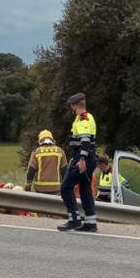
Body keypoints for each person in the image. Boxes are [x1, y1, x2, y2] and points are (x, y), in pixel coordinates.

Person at [58, 92, 98, 232]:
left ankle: (74, 219)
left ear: (75, 106)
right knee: (85, 188)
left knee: (66, 188)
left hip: (83, 158)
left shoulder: (82, 119)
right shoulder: (89, 117)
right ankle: (90, 221)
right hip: (90, 158)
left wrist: (81, 160)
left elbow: (85, 141)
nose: (71, 108)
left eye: (72, 106)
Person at [25, 130, 67, 194]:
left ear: (40, 140)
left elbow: (31, 171)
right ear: (52, 139)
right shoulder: (60, 151)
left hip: (40, 189)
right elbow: (65, 171)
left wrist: (27, 186)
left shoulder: (36, 152)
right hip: (56, 188)